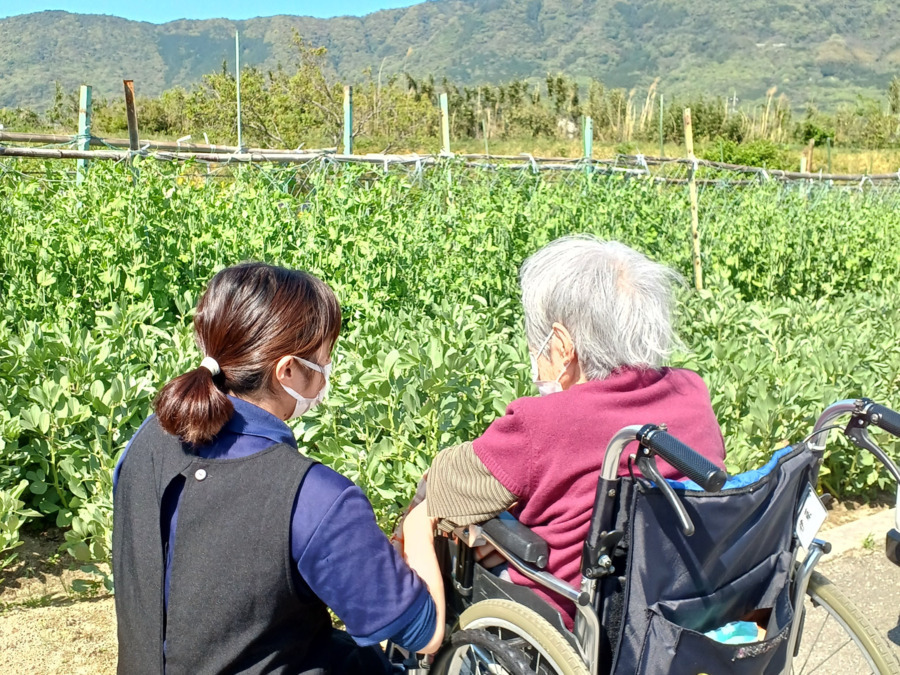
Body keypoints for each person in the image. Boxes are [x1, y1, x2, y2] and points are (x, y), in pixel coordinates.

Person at [112, 262, 444, 675]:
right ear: (287, 370)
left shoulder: (146, 439)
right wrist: (418, 527)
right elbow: (421, 631)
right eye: (324, 360)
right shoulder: (313, 497)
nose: (327, 374)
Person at [419, 236, 726, 629]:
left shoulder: (545, 420)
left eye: (535, 342)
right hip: (680, 601)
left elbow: (446, 487)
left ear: (561, 346)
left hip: (581, 618)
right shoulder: (691, 391)